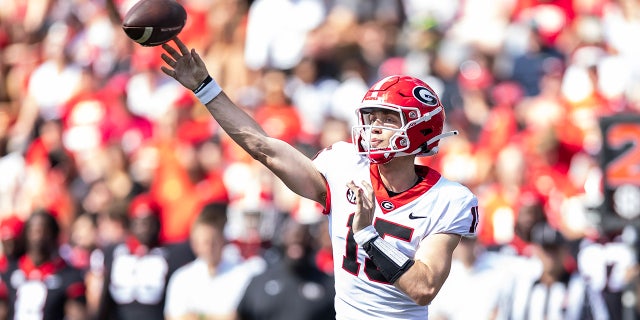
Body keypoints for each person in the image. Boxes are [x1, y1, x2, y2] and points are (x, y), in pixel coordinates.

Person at [159, 37, 479, 319]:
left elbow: (423, 287)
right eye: (371, 117)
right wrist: (206, 88)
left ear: (420, 128)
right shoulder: (344, 166)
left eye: (387, 119)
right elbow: (264, 148)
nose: (374, 128)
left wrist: (367, 234)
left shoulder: (449, 198)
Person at [164, 202, 264, 320]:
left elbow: (236, 316)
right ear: (194, 244)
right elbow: (173, 316)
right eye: (204, 242)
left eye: (213, 242)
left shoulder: (242, 274)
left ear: (223, 241)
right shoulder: (181, 278)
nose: (209, 248)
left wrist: (197, 316)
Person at [237, 217, 336, 320]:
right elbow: (240, 315)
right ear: (282, 236)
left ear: (312, 240)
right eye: (292, 231)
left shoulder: (328, 285)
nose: (298, 235)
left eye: (304, 233)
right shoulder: (259, 281)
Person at [0, 210, 87, 320]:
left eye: (43, 231)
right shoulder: (9, 271)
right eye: (33, 231)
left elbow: (78, 314)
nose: (38, 237)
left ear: (54, 235)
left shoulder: (68, 276)